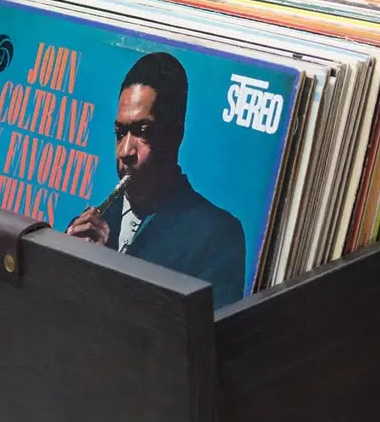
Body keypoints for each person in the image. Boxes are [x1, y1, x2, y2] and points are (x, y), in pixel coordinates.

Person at [66, 50, 247, 308]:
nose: (125, 151)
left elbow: (200, 333)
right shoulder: (86, 230)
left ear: (175, 135)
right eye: (120, 133)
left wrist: (106, 275)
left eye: (142, 132)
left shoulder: (217, 236)